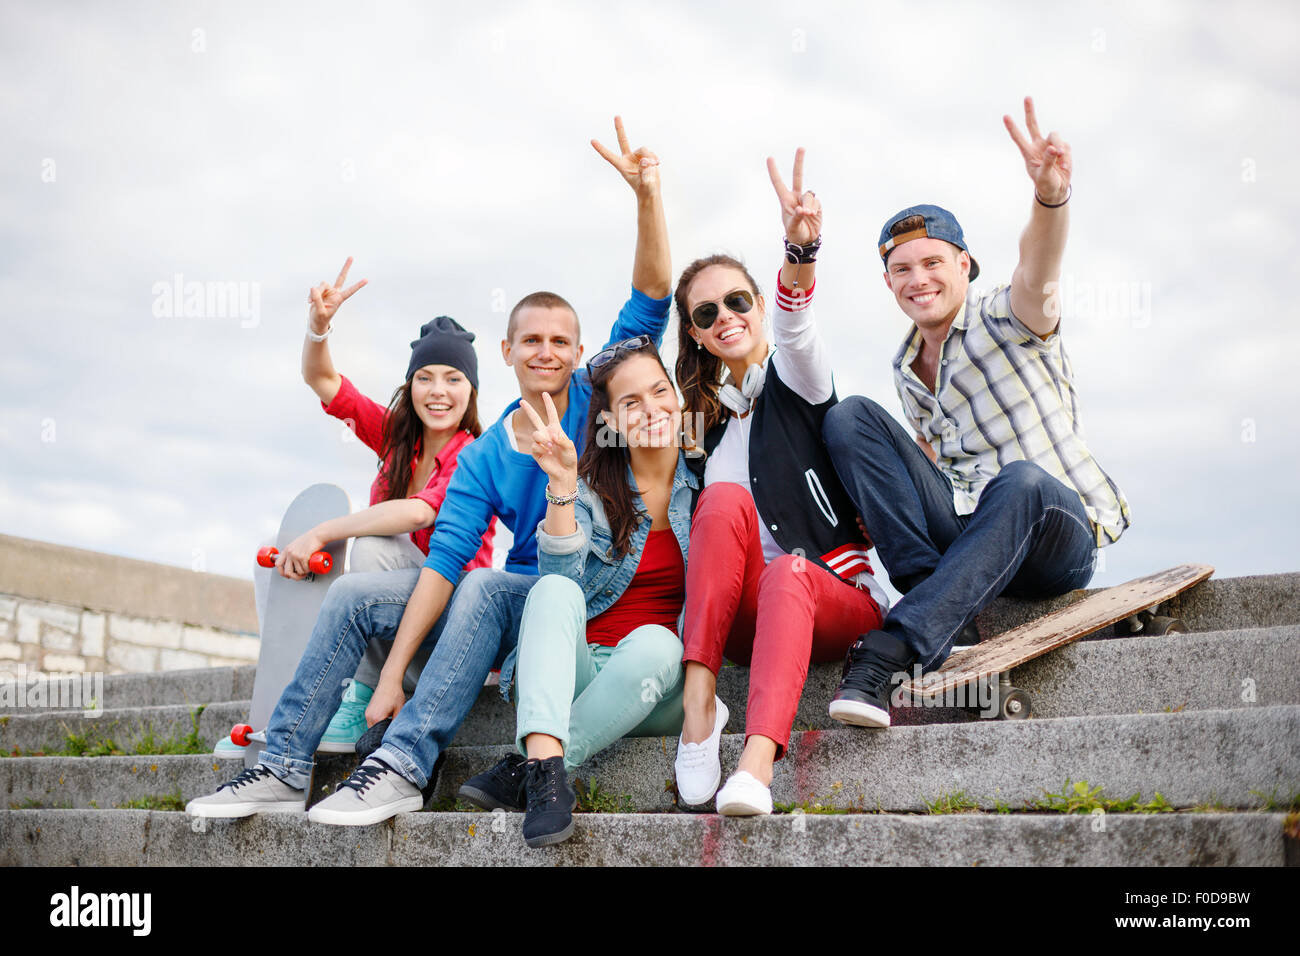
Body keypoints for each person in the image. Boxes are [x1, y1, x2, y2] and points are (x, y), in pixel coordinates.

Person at [184, 117, 674, 825]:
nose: (546, 352)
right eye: (531, 340)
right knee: (357, 595)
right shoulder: (481, 455)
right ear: (506, 348)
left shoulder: (602, 401)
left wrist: (646, 198)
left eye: (560, 342)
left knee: (482, 580)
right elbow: (441, 563)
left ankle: (402, 766)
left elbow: (653, 297)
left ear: (579, 350)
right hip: (508, 602)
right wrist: (390, 679)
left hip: (570, 600)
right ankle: (285, 762)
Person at [822, 96, 1130, 727]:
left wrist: (1049, 198)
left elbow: (1038, 266)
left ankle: (896, 647)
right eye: (901, 270)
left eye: (933, 262)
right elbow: (927, 471)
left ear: (963, 263)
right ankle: (939, 598)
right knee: (848, 416)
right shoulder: (906, 368)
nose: (919, 279)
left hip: (1054, 533)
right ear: (888, 282)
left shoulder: (1006, 317)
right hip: (973, 536)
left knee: (1019, 480)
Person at [671, 150, 888, 817]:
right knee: (724, 498)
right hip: (740, 619)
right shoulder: (701, 427)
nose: (725, 318)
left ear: (759, 305)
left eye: (737, 301)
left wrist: (801, 247)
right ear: (697, 336)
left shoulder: (800, 380)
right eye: (705, 314)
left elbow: (798, 321)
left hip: (827, 595)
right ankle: (699, 708)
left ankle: (756, 767)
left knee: (789, 571)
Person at [459, 340, 694, 848]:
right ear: (609, 420)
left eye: (660, 391)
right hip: (568, 678)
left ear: (677, 398)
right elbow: (561, 573)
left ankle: (534, 768)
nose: (652, 409)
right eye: (631, 403)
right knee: (551, 589)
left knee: (658, 642)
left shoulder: (708, 487)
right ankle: (548, 774)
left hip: (656, 685)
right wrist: (563, 482)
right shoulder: (590, 487)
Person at [264, 271, 494, 754]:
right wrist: (318, 326)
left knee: (370, 546)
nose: (438, 390)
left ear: (471, 390)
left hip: (450, 615)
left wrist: (323, 531)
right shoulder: (394, 437)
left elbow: (416, 515)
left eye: (454, 379)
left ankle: (362, 692)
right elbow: (321, 379)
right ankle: (340, 695)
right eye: (425, 377)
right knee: (365, 559)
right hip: (396, 616)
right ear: (409, 385)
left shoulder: (471, 453)